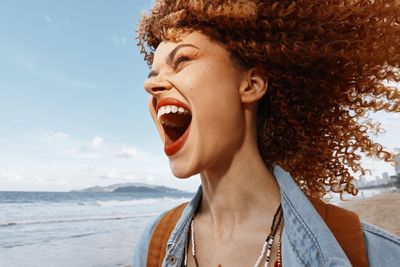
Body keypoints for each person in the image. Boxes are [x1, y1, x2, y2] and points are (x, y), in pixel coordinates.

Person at [133, 1, 400, 266]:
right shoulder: (152, 245)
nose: (150, 84)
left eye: (181, 61)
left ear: (251, 86)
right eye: (152, 73)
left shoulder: (373, 254)